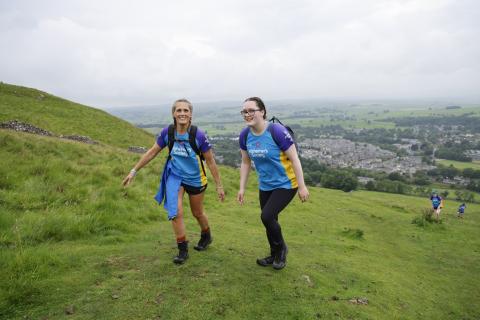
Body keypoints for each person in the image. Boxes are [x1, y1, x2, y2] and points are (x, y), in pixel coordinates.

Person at [123, 99, 225, 264]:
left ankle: (206, 235)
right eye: (179, 110)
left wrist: (219, 186)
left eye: (186, 110)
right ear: (173, 114)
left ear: (190, 114)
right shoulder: (167, 133)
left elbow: (211, 161)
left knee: (197, 213)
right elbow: (152, 152)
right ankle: (182, 249)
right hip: (175, 175)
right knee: (175, 212)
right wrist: (133, 171)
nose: (182, 113)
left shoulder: (198, 135)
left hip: (195, 178)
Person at [237, 97, 309, 270]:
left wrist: (302, 185)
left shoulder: (276, 131)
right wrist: (241, 188)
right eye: (244, 112)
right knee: (270, 220)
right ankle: (273, 254)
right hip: (266, 185)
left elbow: (294, 158)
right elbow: (246, 162)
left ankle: (282, 249)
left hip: (286, 183)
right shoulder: (245, 135)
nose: (247, 114)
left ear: (262, 111)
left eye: (251, 110)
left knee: (266, 216)